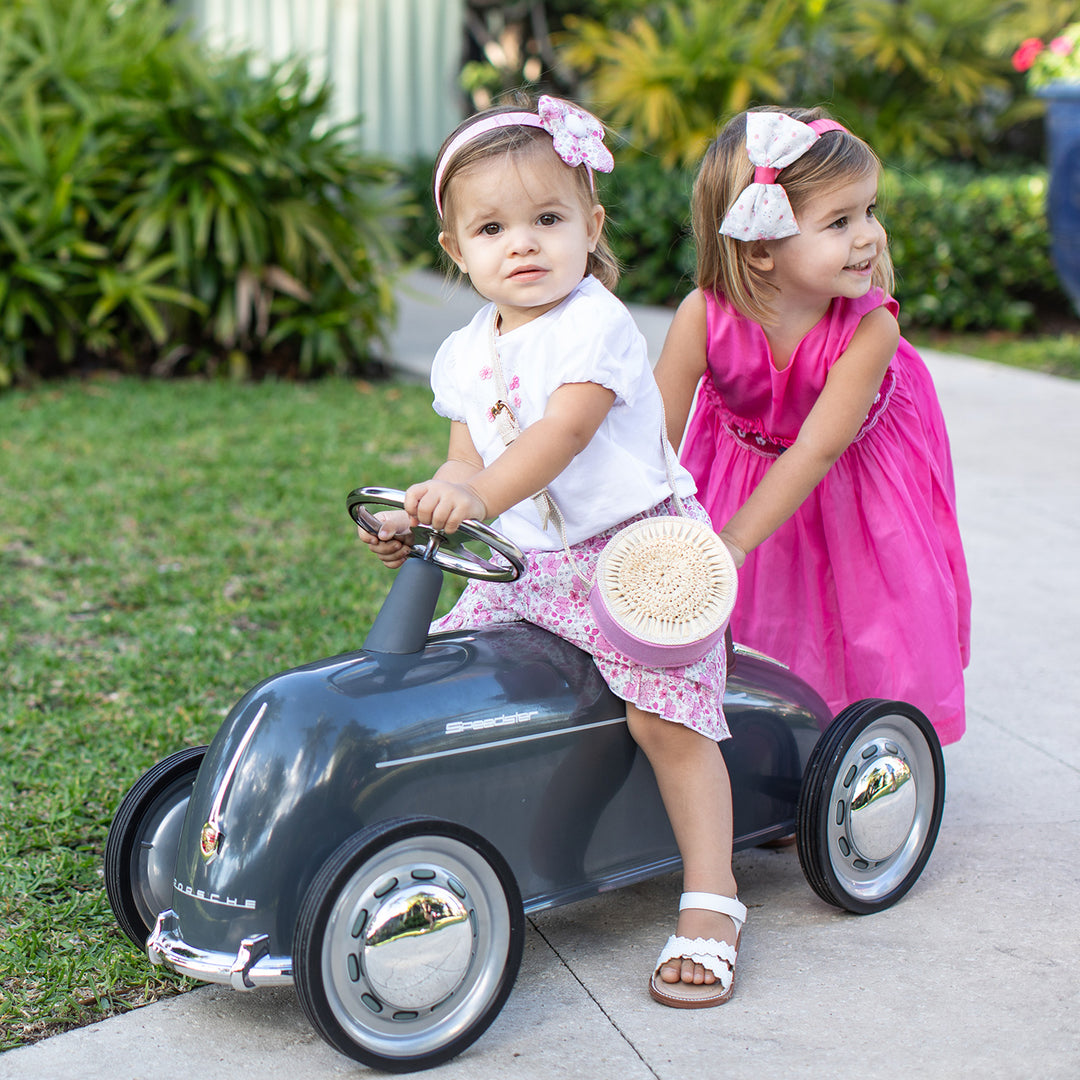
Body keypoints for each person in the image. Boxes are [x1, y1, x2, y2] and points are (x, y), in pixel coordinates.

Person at [358, 94, 745, 1008]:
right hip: (525, 563)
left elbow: (561, 435)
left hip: (633, 559)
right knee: (452, 679)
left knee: (665, 717)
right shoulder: (464, 352)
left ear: (590, 227)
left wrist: (477, 497)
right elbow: (467, 458)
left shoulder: (595, 323)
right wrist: (431, 513)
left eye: (547, 219)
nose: (522, 244)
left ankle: (713, 895)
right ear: (457, 250)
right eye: (492, 228)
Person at [654, 106, 970, 745]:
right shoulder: (703, 317)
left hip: (854, 475)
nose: (870, 236)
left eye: (869, 211)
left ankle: (875, 740)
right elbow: (652, 434)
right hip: (742, 468)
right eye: (840, 221)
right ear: (761, 248)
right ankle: (768, 730)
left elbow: (818, 450)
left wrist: (732, 541)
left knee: (871, 607)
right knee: (763, 608)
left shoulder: (871, 329)